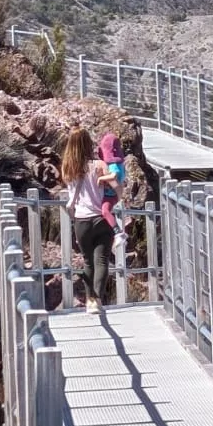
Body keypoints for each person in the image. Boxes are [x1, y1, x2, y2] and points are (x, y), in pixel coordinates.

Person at [60, 126, 114, 312]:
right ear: (88, 143)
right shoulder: (99, 165)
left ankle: (90, 299)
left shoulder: (68, 168)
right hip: (101, 218)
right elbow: (116, 185)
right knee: (102, 261)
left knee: (88, 261)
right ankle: (96, 300)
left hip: (81, 220)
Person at [97, 132, 126, 230]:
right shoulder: (120, 163)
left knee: (105, 211)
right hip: (113, 194)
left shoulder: (113, 164)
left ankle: (116, 230)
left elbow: (114, 175)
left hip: (110, 194)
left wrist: (101, 178)